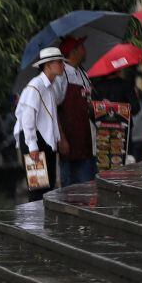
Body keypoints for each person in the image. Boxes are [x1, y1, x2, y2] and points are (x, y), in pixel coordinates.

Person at [14, 47, 66, 202]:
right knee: (38, 187)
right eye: (59, 62)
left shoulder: (50, 86)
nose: (62, 65)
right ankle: (36, 217)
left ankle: (42, 216)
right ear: (48, 65)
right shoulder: (35, 86)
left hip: (44, 139)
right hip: (34, 139)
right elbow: (27, 118)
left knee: (48, 186)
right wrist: (32, 146)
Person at [55, 36, 96, 186]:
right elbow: (54, 108)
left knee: (87, 186)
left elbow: (87, 102)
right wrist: (61, 138)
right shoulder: (61, 74)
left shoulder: (83, 73)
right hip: (69, 141)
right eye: (81, 47)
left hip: (85, 140)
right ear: (73, 52)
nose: (85, 51)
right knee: (69, 187)